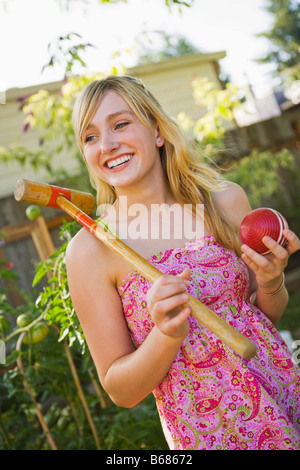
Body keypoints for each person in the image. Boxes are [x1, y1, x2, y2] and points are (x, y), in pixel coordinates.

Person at [66, 75, 300, 450]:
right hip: (208, 433)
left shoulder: (224, 202)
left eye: (120, 124)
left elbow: (259, 322)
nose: (107, 145)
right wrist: (166, 334)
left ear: (157, 131)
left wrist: (272, 282)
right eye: (90, 136)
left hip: (283, 393)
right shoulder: (90, 251)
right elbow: (120, 389)